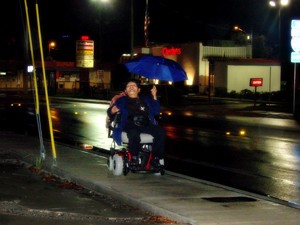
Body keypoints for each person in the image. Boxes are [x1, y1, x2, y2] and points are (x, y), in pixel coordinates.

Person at [107, 79, 165, 167]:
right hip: (129, 123)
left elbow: (156, 112)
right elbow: (110, 112)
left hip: (145, 123)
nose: (131, 87)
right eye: (128, 86)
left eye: (133, 86)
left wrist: (154, 96)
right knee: (133, 133)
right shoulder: (121, 101)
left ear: (138, 89)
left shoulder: (146, 99)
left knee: (160, 132)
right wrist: (111, 111)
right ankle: (134, 157)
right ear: (126, 91)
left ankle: (156, 158)